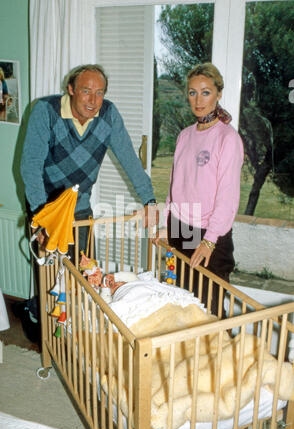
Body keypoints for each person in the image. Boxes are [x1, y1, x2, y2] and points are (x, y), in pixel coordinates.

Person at [21, 64, 157, 252]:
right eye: (86, 91)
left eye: (100, 93)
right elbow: (31, 167)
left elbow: (130, 160)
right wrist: (42, 216)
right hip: (46, 205)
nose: (93, 100)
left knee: (84, 271)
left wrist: (149, 200)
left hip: (80, 206)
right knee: (50, 274)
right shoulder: (46, 111)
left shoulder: (109, 114)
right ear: (71, 89)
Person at [155, 62, 244, 317]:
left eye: (205, 92)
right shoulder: (185, 135)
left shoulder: (227, 138)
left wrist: (209, 240)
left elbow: (227, 197)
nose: (198, 99)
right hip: (180, 228)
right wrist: (166, 224)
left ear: (218, 93)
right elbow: (175, 185)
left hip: (209, 236)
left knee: (208, 311)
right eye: (192, 92)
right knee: (182, 305)